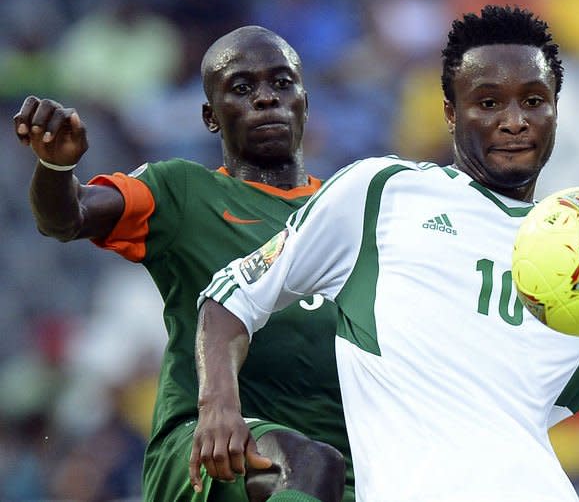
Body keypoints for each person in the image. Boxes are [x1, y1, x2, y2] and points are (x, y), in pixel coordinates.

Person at [192, 6, 579, 501]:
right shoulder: (381, 195)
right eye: (488, 101)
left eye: (534, 100)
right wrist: (218, 403)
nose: (514, 121)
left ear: (556, 109)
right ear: (449, 112)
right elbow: (231, 298)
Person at [14, 26, 353, 502]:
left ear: (304, 102)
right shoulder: (182, 190)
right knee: (307, 465)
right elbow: (66, 218)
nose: (265, 99)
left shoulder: (348, 210)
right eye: (242, 88)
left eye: (282, 83)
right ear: (210, 117)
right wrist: (55, 168)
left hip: (341, 461)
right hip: (210, 445)